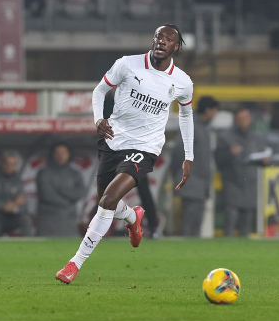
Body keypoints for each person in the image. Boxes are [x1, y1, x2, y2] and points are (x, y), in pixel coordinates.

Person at [56, 24, 194, 284]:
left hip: (145, 147)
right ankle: (133, 216)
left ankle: (74, 263)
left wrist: (189, 156)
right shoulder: (127, 64)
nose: (161, 41)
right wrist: (98, 119)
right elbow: (99, 90)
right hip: (113, 140)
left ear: (176, 47)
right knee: (107, 201)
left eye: (168, 39)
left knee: (108, 200)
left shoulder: (183, 81)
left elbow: (186, 116)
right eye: (158, 37)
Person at [214, 107, 271, 237]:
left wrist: (265, 160)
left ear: (250, 119)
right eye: (240, 119)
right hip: (232, 185)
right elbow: (218, 160)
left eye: (246, 118)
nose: (244, 121)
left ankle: (244, 248)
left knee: (246, 226)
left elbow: (263, 158)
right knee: (230, 223)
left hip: (249, 185)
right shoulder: (225, 137)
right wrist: (229, 154)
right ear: (235, 120)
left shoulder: (256, 138)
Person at [171, 96, 219, 236]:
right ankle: (186, 249)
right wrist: (179, 176)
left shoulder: (203, 127)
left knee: (195, 224)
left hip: (199, 186)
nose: (216, 114)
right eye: (215, 110)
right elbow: (177, 152)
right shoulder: (192, 126)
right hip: (191, 184)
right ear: (208, 110)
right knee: (190, 224)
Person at [36, 143, 87, 237]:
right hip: (48, 220)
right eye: (57, 153)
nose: (61, 156)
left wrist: (61, 190)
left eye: (64, 153)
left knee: (70, 245)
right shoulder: (44, 172)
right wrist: (68, 202)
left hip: (69, 221)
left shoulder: (75, 173)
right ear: (52, 155)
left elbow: (80, 192)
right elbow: (47, 195)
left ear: (69, 154)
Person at [0, 150, 32, 237]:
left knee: (25, 219)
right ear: (2, 163)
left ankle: (29, 243)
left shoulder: (17, 179)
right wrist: (5, 206)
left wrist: (14, 207)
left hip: (10, 217)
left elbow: (22, 201)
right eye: (8, 164)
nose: (10, 167)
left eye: (13, 164)